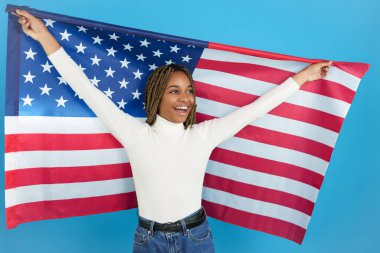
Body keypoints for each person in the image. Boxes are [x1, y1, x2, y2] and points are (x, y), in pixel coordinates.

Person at [14, 9, 332, 253]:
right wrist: (42, 35)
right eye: (174, 91)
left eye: (189, 91)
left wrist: (304, 76)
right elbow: (83, 86)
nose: (185, 99)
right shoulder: (133, 133)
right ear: (156, 97)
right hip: (148, 239)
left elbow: (256, 110)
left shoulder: (204, 134)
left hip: (197, 236)